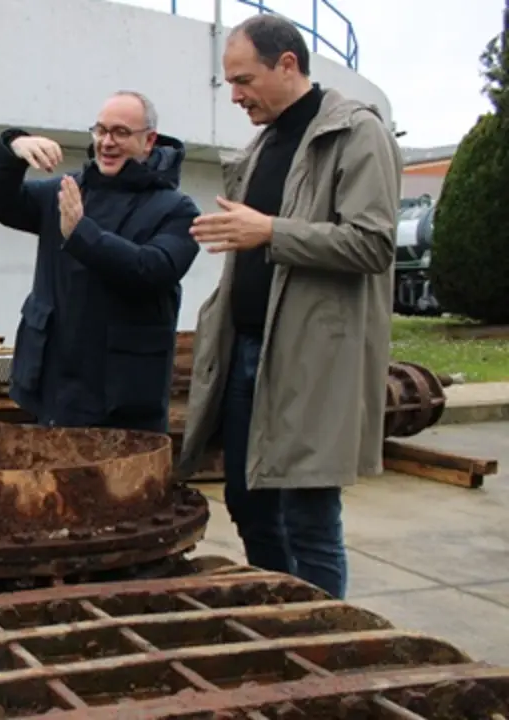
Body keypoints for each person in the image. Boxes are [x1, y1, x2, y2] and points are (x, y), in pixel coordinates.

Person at [178, 14, 402, 599]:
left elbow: (373, 244)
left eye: (243, 79)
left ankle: (322, 630)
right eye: (230, 82)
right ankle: (282, 608)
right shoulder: (264, 143)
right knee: (247, 501)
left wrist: (270, 231)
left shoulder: (356, 133)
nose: (235, 95)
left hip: (309, 355)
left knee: (308, 514)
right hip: (246, 350)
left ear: (287, 65)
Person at [0, 91, 201, 433]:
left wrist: (82, 234)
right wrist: (12, 149)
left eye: (121, 133)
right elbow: (0, 200)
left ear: (149, 141)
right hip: (55, 389)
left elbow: (152, 269)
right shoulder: (67, 192)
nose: (107, 143)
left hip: (122, 397)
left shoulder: (176, 209)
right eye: (101, 130)